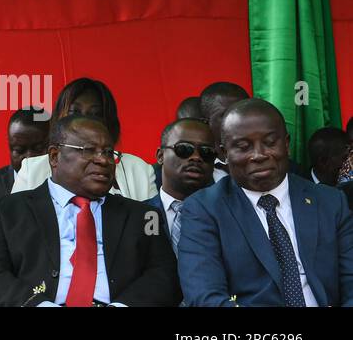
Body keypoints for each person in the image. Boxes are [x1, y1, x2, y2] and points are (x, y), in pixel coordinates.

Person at [0, 115, 180, 307]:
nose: (103, 160)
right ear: (54, 156)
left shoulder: (144, 216)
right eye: (88, 150)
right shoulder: (5, 211)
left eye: (108, 152)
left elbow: (164, 275)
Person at [178, 99, 353, 307]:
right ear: (224, 154)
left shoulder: (329, 201)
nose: (259, 155)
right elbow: (205, 297)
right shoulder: (204, 210)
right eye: (243, 147)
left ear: (286, 144)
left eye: (270, 143)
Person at [12, 78, 155, 200]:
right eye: (74, 113)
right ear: (58, 119)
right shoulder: (32, 171)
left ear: (110, 123)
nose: (84, 121)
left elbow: (152, 229)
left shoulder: (140, 170)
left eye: (95, 114)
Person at [148, 117, 215, 258]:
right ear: (160, 156)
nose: (196, 157)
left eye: (206, 152)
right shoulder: (142, 215)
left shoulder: (225, 215)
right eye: (184, 149)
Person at [0, 108, 49, 205]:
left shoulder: (65, 183)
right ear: (9, 145)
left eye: (38, 149)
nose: (29, 157)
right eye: (19, 150)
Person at [199, 81, 250, 181]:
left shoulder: (273, 161)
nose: (237, 120)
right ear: (206, 123)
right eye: (226, 115)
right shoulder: (193, 169)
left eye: (243, 112)